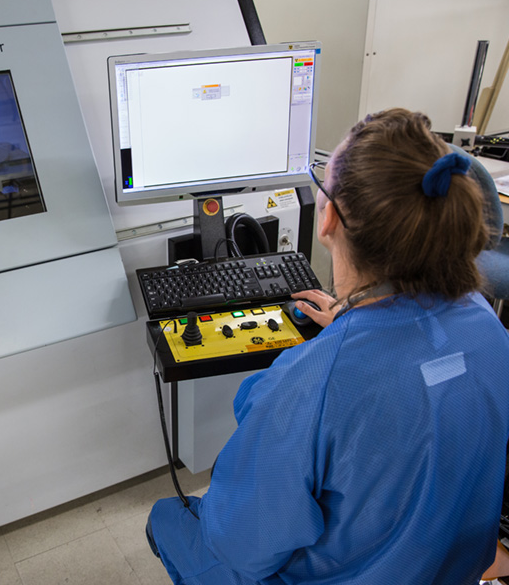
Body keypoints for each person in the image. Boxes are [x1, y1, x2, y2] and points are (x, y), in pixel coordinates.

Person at [146, 109, 509, 584]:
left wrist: (336, 348)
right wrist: (354, 315)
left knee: (167, 518)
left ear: (328, 217)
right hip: (446, 565)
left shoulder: (309, 382)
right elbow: (424, 368)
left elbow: (240, 548)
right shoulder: (488, 325)